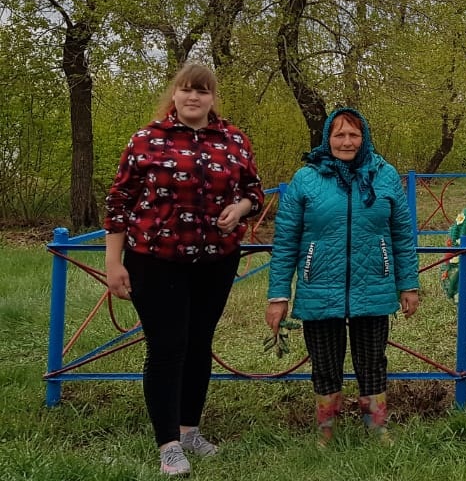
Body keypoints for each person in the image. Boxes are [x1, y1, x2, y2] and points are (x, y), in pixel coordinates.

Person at [103, 63, 264, 476]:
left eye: (202, 92)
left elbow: (253, 191)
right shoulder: (146, 140)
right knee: (168, 346)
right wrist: (112, 263)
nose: (194, 98)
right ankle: (169, 444)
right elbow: (118, 203)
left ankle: (190, 429)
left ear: (213, 98)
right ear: (174, 94)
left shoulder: (233, 140)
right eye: (187, 90)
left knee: (198, 343)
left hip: (217, 259)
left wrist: (239, 208)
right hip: (156, 260)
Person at [265, 108, 420, 444]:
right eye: (339, 135)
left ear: (364, 138)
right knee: (324, 361)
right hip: (318, 284)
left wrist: (408, 283)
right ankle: (326, 429)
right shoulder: (306, 179)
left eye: (353, 135)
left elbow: (402, 234)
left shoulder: (385, 175)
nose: (346, 142)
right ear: (327, 139)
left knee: (372, 361)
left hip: (373, 285)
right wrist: (278, 295)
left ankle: (377, 426)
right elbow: (286, 240)